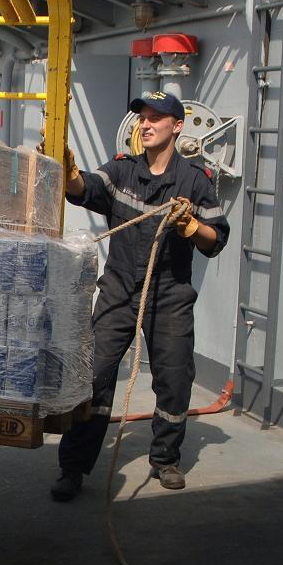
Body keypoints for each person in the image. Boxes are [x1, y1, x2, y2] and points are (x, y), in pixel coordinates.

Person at [49, 91, 230, 502]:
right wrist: (68, 170)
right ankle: (73, 467)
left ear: (177, 127)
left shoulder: (195, 181)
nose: (144, 125)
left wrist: (191, 226)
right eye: (141, 118)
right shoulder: (122, 170)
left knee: (174, 378)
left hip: (170, 295)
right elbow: (85, 189)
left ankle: (165, 459)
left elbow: (215, 239)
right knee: (93, 376)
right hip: (118, 290)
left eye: (154, 118)